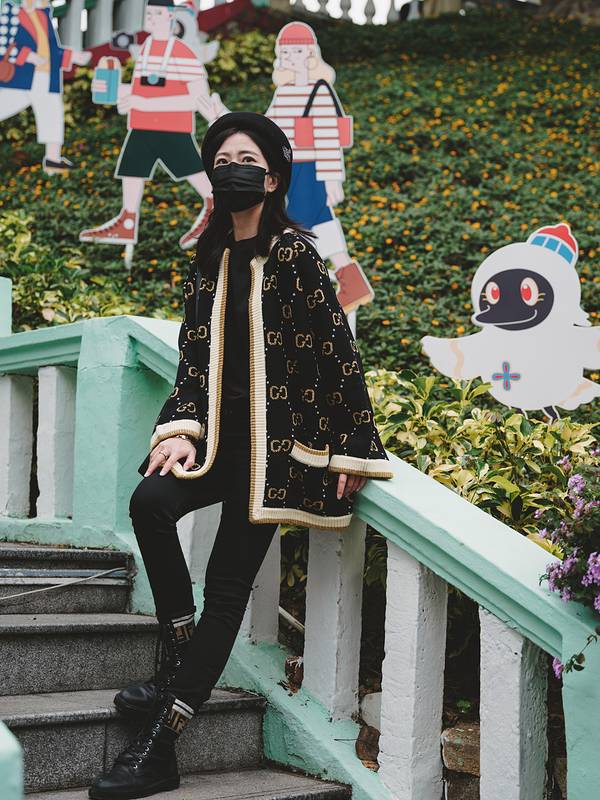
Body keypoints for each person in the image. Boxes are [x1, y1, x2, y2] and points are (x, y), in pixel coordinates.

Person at [87, 111, 393, 799]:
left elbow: (339, 355)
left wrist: (351, 446)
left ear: (273, 177)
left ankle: (162, 742)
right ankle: (178, 656)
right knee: (150, 501)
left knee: (227, 589)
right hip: (218, 444)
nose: (233, 170)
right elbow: (193, 362)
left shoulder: (295, 256)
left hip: (276, 454)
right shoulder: (210, 261)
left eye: (247, 160)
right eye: (222, 161)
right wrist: (179, 429)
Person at [0, 0, 91, 174]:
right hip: (21, 76)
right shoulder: (12, 12)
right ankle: (52, 160)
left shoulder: (43, 15)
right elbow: (2, 44)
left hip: (45, 75)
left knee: (52, 113)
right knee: (5, 105)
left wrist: (73, 56)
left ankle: (53, 160)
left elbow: (52, 50)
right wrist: (27, 56)